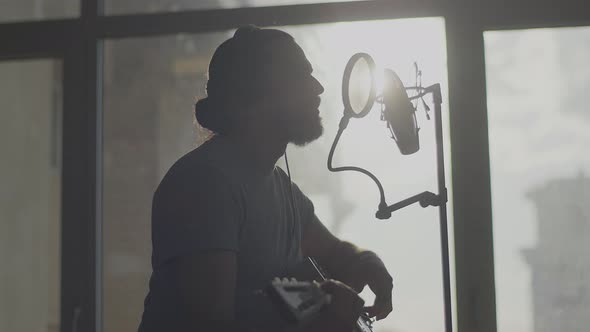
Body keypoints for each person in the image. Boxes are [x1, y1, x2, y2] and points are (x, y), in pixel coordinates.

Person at [138, 26, 393, 332]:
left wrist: (367, 262)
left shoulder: (281, 189)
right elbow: (212, 324)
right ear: (261, 92)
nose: (318, 88)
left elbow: (337, 253)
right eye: (302, 76)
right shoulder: (205, 184)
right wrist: (324, 320)